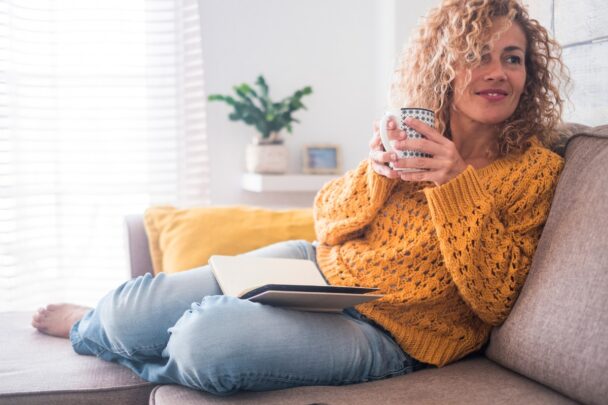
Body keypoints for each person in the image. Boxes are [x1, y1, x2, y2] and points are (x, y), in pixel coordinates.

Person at [32, 0, 567, 396]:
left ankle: (156, 338)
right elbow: (329, 222)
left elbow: (496, 298)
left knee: (205, 342)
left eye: (513, 58)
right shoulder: (412, 135)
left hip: (393, 335)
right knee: (128, 310)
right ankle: (95, 326)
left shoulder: (537, 170)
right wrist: (377, 171)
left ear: (529, 75)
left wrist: (453, 186)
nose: (497, 71)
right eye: (478, 55)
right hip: (315, 269)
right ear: (444, 68)